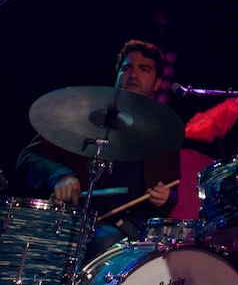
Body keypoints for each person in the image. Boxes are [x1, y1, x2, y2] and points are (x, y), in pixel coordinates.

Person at [16, 39, 181, 262]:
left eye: (144, 68)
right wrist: (59, 177)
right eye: (126, 67)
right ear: (117, 75)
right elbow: (28, 157)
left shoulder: (164, 133)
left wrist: (167, 197)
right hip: (92, 223)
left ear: (157, 81)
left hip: (144, 230)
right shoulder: (85, 116)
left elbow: (172, 190)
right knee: (109, 242)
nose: (133, 74)